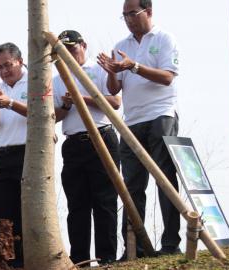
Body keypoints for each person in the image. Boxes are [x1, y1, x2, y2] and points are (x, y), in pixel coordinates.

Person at [97, 0, 181, 257]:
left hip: (160, 115)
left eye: (132, 13)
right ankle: (135, 248)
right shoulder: (121, 46)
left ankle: (169, 245)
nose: (128, 19)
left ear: (149, 12)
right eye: (124, 15)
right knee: (131, 186)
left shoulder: (165, 38)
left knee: (164, 181)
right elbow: (114, 89)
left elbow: (167, 77)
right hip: (131, 122)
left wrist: (133, 66)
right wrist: (112, 72)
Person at [53, 30, 121, 265]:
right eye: (62, 52)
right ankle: (80, 258)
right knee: (77, 204)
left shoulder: (98, 69)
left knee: (104, 201)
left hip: (101, 138)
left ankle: (106, 258)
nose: (68, 55)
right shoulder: (56, 78)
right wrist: (65, 103)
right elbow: (55, 116)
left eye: (71, 49)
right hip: (73, 143)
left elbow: (114, 102)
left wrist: (82, 98)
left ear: (83, 46)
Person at [0, 42, 28, 267]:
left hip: (28, 153)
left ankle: (28, 260)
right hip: (3, 153)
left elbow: (40, 114)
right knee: (3, 210)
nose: (4, 71)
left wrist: (10, 103)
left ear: (19, 61)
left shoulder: (34, 80)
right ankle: (10, 262)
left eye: (7, 65)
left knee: (25, 211)